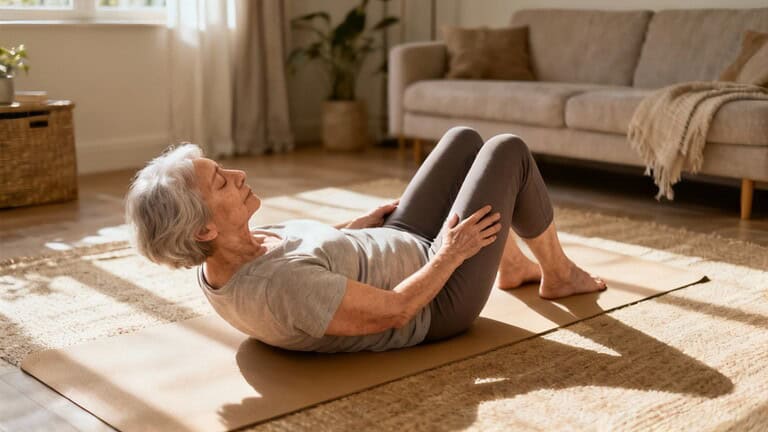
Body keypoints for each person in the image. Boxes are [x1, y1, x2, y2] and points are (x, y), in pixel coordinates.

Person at [125, 126, 606, 353]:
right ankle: (559, 275)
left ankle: (512, 265)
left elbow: (314, 256)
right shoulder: (278, 288)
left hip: (398, 242)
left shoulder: (230, 253)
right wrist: (451, 252)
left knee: (463, 139)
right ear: (205, 228)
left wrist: (361, 223)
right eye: (221, 182)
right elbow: (397, 310)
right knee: (508, 151)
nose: (238, 174)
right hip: (435, 299)